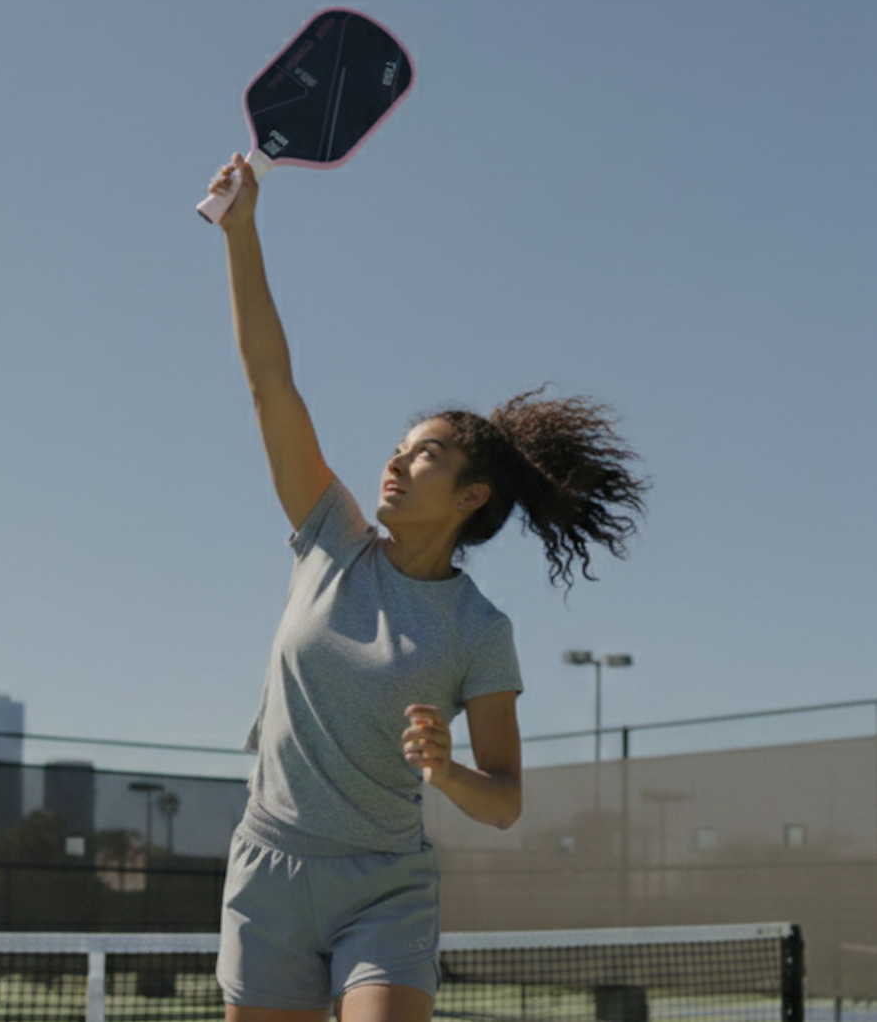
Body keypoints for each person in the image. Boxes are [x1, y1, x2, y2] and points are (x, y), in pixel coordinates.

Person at [207, 154, 647, 1022]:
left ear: (472, 497)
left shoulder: (480, 631)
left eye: (425, 455)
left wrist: (447, 773)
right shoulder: (331, 539)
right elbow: (270, 386)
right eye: (400, 446)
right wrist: (241, 233)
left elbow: (505, 801)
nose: (397, 462)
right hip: (269, 867)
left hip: (385, 887)